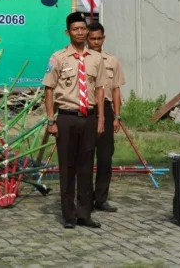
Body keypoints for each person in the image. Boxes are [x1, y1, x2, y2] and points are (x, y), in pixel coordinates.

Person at [43, 12, 108, 229]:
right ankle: (69, 215)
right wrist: (51, 120)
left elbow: (100, 89)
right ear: (68, 32)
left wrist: (101, 119)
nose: (80, 32)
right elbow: (49, 90)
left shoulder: (96, 58)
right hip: (67, 118)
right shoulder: (58, 58)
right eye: (75, 29)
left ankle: (84, 213)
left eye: (83, 28)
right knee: (67, 167)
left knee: (87, 166)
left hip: (88, 118)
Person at [87, 22, 126, 213]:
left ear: (104, 38)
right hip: (87, 110)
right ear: (87, 39)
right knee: (84, 156)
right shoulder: (81, 59)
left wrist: (117, 116)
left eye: (99, 38)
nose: (96, 42)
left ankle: (101, 199)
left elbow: (117, 89)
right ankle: (85, 199)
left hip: (108, 110)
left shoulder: (112, 61)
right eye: (92, 38)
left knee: (105, 158)